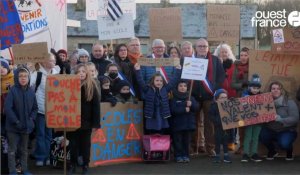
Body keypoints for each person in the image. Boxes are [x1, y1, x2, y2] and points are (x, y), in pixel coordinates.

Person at [192, 38, 225, 157]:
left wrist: (214, 88)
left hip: (209, 96)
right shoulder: (190, 60)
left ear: (208, 48)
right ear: (195, 48)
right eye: (200, 46)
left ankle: (210, 148)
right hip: (193, 96)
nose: (202, 48)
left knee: (209, 123)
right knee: (194, 122)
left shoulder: (215, 60)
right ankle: (193, 147)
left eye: (204, 46)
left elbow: (221, 77)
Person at [4, 66, 38, 175]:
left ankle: (24, 169)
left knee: (24, 150)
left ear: (28, 78)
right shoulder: (13, 91)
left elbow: (35, 108)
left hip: (26, 126)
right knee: (12, 150)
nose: (23, 78)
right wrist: (16, 122)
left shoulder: (31, 92)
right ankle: (12, 170)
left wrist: (31, 119)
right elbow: (8, 109)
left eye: (25, 76)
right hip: (13, 127)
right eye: (20, 76)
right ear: (16, 78)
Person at [68, 63, 100, 175]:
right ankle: (72, 164)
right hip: (72, 121)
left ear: (87, 73)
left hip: (87, 121)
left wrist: (96, 124)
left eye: (83, 71)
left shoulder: (92, 86)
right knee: (73, 144)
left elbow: (96, 106)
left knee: (86, 145)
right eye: (78, 72)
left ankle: (85, 165)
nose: (81, 74)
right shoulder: (70, 85)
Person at [134, 62, 181, 134]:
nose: (159, 82)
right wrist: (137, 70)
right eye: (157, 80)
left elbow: (174, 80)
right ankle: (152, 144)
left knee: (162, 131)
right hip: (151, 115)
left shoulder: (166, 89)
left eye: (161, 81)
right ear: (153, 81)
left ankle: (160, 144)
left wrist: (178, 69)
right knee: (151, 131)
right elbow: (140, 81)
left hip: (162, 115)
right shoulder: (148, 89)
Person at [31, 53, 60, 166]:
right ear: (44, 62)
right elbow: (28, 83)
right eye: (51, 60)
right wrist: (29, 69)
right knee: (40, 134)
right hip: (40, 110)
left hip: (53, 110)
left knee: (49, 135)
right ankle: (40, 157)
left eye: (54, 60)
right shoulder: (37, 74)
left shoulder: (57, 73)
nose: (53, 62)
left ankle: (48, 156)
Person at [260, 81, 299, 161]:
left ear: (281, 90)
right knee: (260, 135)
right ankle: (272, 150)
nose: (276, 90)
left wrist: (281, 119)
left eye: (278, 88)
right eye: (273, 88)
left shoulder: (289, 102)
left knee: (284, 144)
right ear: (270, 90)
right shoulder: (265, 103)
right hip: (271, 129)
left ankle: (289, 150)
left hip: (286, 130)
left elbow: (295, 118)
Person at [213, 43, 237, 151]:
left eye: (226, 52)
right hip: (219, 95)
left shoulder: (234, 64)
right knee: (220, 120)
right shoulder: (216, 64)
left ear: (229, 53)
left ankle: (231, 141)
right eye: (221, 52)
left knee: (231, 120)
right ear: (218, 54)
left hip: (231, 95)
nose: (224, 54)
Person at [169, 80, 199, 163]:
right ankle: (178, 155)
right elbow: (173, 110)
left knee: (186, 141)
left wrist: (191, 104)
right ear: (177, 87)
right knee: (177, 142)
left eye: (184, 86)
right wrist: (183, 109)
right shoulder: (173, 98)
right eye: (180, 86)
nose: (183, 88)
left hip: (188, 125)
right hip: (177, 125)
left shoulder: (190, 98)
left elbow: (196, 107)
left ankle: (185, 155)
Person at [231, 47, 250, 154]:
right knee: (241, 123)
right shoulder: (236, 67)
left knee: (250, 123)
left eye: (245, 55)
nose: (243, 57)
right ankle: (242, 145)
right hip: (240, 97)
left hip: (252, 97)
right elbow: (232, 84)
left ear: (249, 56)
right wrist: (242, 84)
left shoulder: (253, 65)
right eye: (241, 55)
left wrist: (250, 84)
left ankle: (249, 146)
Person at [241, 74, 263, 163]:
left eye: (257, 88)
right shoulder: (245, 94)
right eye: (254, 88)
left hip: (258, 121)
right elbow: (241, 104)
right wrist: (245, 99)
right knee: (248, 136)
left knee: (255, 137)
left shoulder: (262, 96)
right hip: (249, 121)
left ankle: (254, 153)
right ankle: (245, 153)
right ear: (250, 87)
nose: (256, 90)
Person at [209, 89, 231, 163]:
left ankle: (226, 155)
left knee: (225, 142)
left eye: (225, 97)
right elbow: (211, 116)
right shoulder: (213, 106)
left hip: (226, 128)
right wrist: (218, 121)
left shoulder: (228, 106)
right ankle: (217, 155)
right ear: (216, 99)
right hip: (218, 127)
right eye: (222, 97)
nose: (224, 99)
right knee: (217, 142)